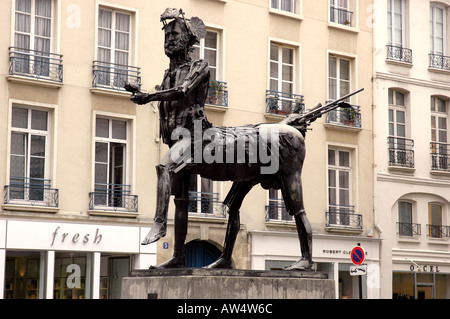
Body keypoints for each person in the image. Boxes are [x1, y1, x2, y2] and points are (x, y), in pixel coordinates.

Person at [130, 8, 210, 267]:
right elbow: (166, 99)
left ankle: (159, 223)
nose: (169, 40)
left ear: (188, 38)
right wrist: (143, 94)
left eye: (174, 34)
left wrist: (149, 97)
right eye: (166, 36)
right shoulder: (167, 74)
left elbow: (182, 91)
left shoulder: (199, 66)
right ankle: (178, 256)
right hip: (177, 140)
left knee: (164, 167)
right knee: (181, 199)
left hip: (196, 135)